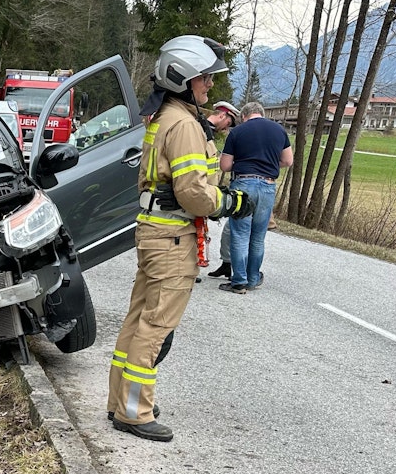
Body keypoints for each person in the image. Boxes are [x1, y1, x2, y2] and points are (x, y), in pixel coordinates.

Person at [107, 36, 254, 443]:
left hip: (154, 233)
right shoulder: (186, 125)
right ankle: (134, 411)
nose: (210, 84)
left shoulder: (164, 115)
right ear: (184, 78)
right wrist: (229, 202)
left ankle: (120, 400)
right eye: (205, 77)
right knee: (155, 327)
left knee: (138, 320)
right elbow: (192, 192)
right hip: (172, 238)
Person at [218, 101, 293, 293]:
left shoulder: (237, 132)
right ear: (262, 113)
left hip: (243, 185)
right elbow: (287, 161)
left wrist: (242, 162)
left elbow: (225, 165)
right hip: (268, 185)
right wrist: (269, 164)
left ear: (244, 116)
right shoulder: (279, 131)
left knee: (240, 234)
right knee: (258, 237)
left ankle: (239, 281)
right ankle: (252, 279)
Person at [206, 101, 239, 279]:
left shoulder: (208, 132)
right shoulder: (201, 130)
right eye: (228, 122)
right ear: (222, 115)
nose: (227, 127)